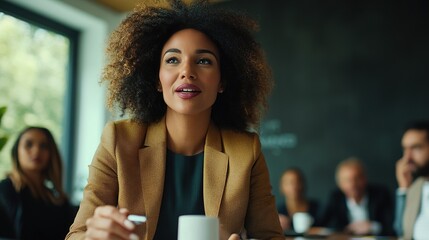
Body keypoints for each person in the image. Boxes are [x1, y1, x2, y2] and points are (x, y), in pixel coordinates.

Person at [66, 1, 283, 240]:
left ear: (223, 81)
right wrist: (93, 237)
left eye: (204, 61)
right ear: (157, 80)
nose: (187, 71)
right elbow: (77, 234)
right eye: (172, 60)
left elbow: (271, 236)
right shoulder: (118, 140)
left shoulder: (246, 150)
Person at [0, 126, 77, 239]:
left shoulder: (57, 198)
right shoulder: (5, 190)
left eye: (44, 146)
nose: (36, 151)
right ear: (16, 151)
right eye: (29, 144)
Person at [318, 158, 394, 236]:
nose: (353, 184)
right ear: (340, 184)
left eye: (357, 178)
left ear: (365, 178)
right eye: (347, 180)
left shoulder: (380, 195)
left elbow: (392, 226)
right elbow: (320, 224)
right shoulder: (335, 198)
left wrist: (373, 227)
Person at [394, 121, 429, 239]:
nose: (407, 157)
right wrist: (404, 188)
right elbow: (402, 231)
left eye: (416, 148)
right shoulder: (417, 188)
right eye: (405, 149)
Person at [277, 168, 318, 233]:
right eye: (288, 183)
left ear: (303, 185)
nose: (294, 187)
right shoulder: (276, 212)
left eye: (297, 182)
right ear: (281, 187)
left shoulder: (318, 209)